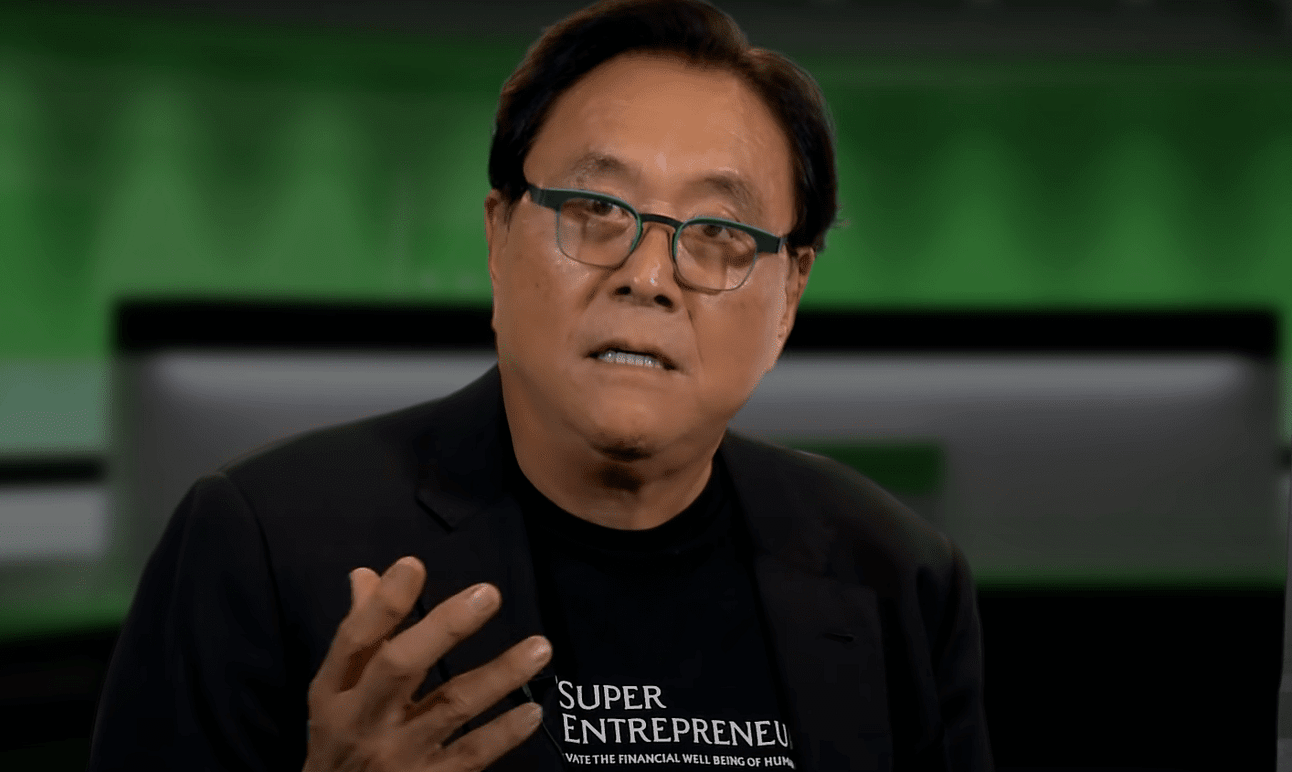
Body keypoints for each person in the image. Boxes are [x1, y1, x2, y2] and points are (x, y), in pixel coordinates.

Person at [89, 1, 992, 770]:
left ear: (789, 292)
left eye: (720, 231)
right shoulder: (261, 543)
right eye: (596, 209)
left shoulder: (899, 577)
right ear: (499, 235)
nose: (649, 276)